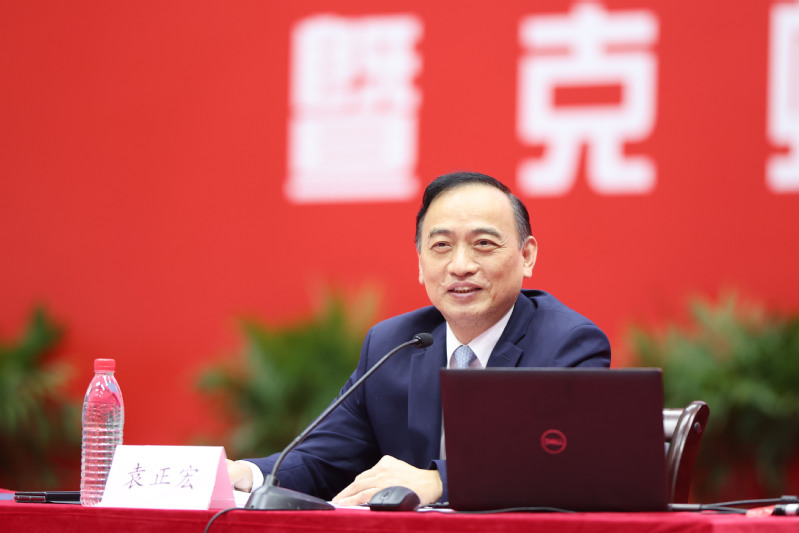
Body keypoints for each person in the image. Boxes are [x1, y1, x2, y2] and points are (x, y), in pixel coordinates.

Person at [227, 171, 611, 506]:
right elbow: (322, 458)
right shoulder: (392, 344)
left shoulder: (567, 344)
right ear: (421, 264)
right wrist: (245, 474)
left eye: (483, 243)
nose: (460, 266)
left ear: (527, 256)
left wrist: (441, 482)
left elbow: (564, 462)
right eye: (441, 246)